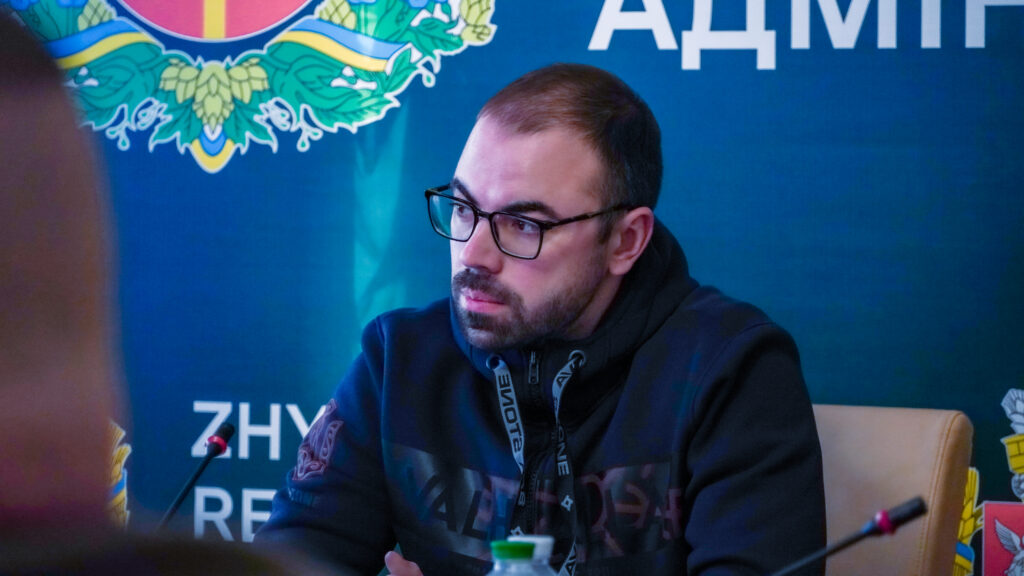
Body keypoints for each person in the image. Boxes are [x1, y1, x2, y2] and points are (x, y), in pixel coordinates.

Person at [256, 63, 826, 576]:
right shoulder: (399, 360)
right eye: (463, 209)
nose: (473, 254)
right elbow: (288, 560)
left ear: (626, 241)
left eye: (524, 224)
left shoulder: (731, 370)